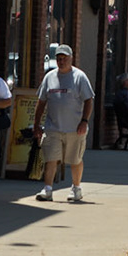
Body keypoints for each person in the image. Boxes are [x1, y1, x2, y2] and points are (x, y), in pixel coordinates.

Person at [32, 45, 94, 202]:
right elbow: (41, 102)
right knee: (50, 158)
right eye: (58, 59)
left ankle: (76, 188)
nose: (61, 61)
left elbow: (88, 100)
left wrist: (84, 121)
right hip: (53, 127)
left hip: (75, 128)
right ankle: (47, 189)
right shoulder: (49, 77)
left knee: (75, 159)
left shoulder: (79, 77)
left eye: (64, 58)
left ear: (71, 59)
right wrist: (37, 124)